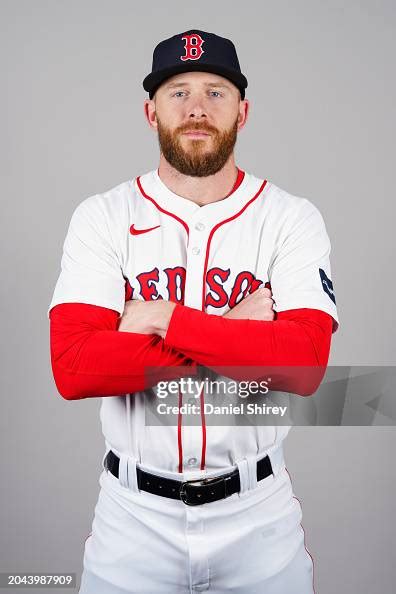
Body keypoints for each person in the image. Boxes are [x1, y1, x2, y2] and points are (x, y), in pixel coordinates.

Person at [48, 29, 339, 594]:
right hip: (131, 521)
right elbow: (75, 367)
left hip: (258, 521)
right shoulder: (103, 216)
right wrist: (233, 332)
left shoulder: (291, 219)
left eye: (216, 91)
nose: (197, 108)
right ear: (150, 110)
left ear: (243, 111)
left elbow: (303, 366)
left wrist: (161, 317)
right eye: (178, 91)